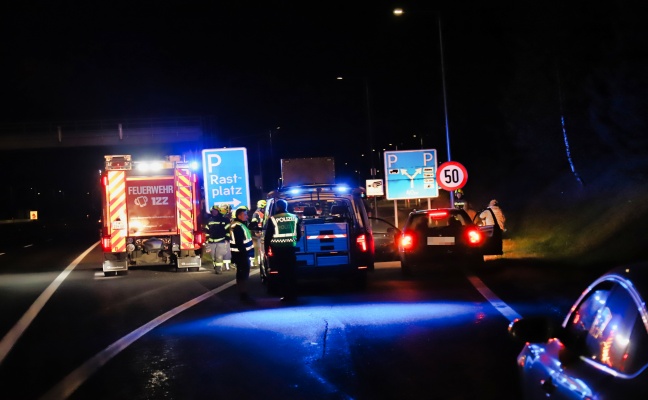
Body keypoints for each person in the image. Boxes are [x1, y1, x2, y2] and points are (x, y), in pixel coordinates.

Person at [264, 199, 302, 302]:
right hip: (291, 249)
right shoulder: (294, 217)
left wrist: (267, 250)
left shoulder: (273, 219)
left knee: (282, 273)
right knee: (292, 272)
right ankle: (294, 295)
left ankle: (286, 295)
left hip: (278, 250)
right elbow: (299, 234)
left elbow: (268, 236)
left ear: (278, 207)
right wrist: (292, 241)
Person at [230, 206, 255, 303]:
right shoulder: (237, 226)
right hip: (241, 255)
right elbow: (239, 242)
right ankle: (243, 295)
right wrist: (245, 254)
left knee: (242, 275)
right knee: (242, 275)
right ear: (239, 215)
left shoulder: (240, 225)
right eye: (245, 214)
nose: (247, 216)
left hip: (241, 254)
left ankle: (243, 294)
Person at [204, 203, 231, 274]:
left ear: (218, 211)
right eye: (212, 211)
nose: (214, 212)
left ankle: (218, 269)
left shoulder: (224, 220)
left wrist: (227, 238)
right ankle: (216, 267)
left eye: (215, 211)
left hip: (221, 240)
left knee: (219, 255)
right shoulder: (209, 220)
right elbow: (207, 230)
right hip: (211, 241)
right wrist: (207, 239)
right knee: (213, 256)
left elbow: (227, 230)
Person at [249, 199, 267, 268]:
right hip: (258, 234)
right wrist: (256, 232)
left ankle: (260, 261)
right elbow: (254, 224)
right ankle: (257, 262)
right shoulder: (256, 214)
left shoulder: (264, 213)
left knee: (262, 248)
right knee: (259, 248)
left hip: (263, 232)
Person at [218, 203, 233, 271]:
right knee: (225, 252)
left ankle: (223, 266)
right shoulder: (226, 219)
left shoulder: (219, 217)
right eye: (229, 209)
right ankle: (225, 266)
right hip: (223, 238)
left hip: (219, 238)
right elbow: (227, 229)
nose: (230, 211)